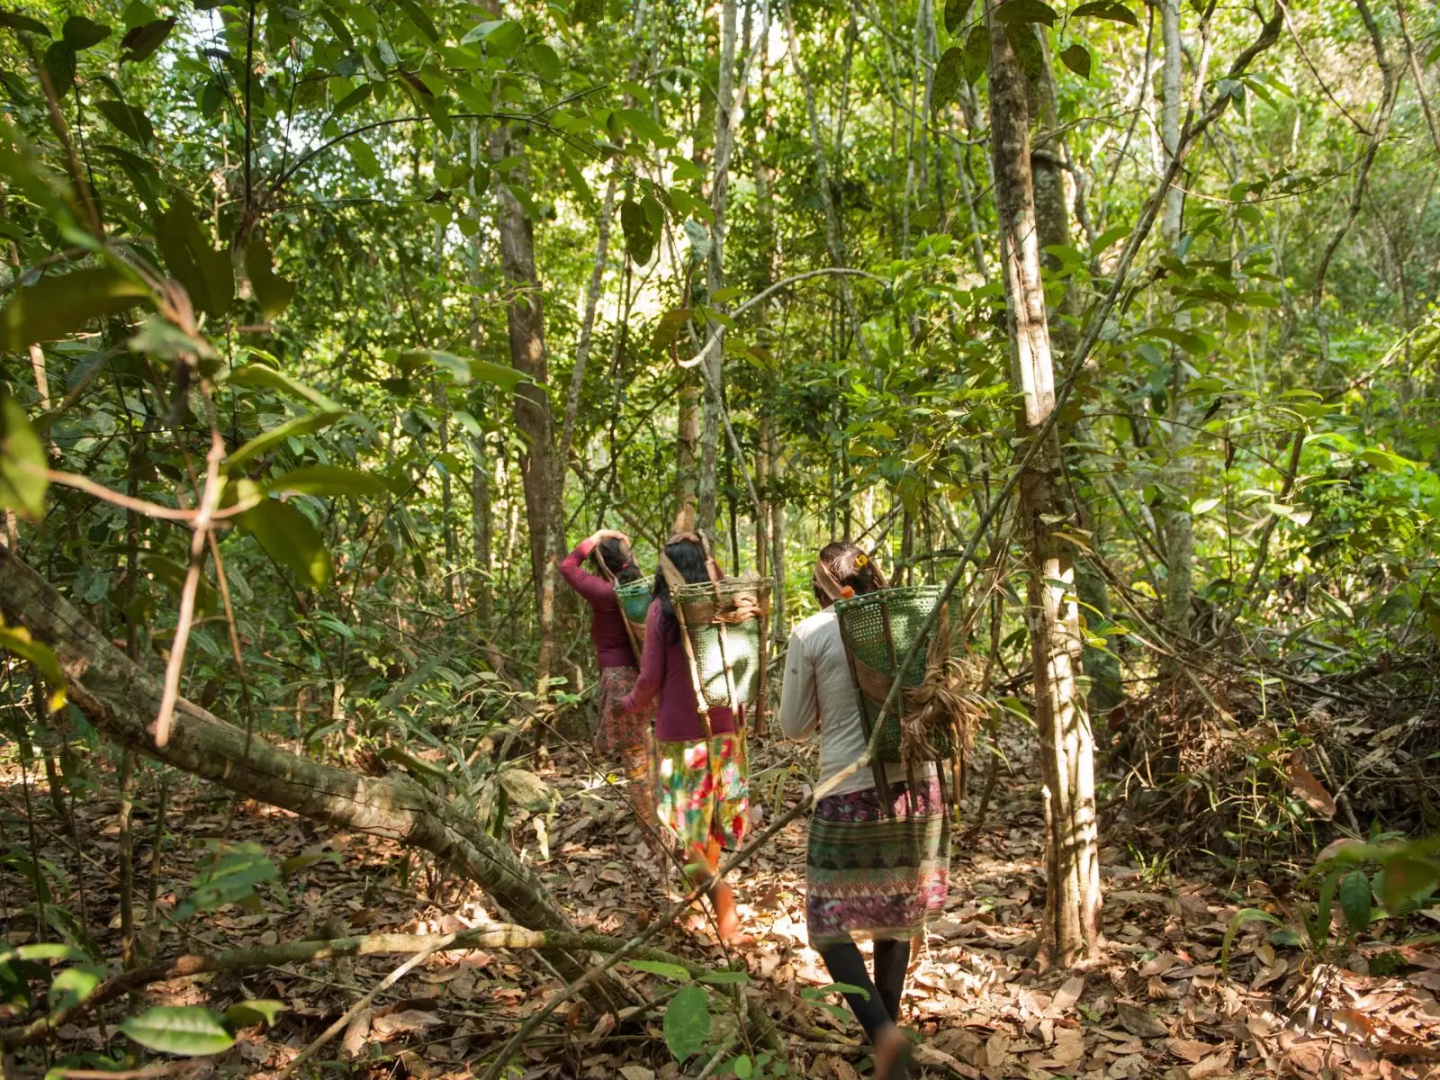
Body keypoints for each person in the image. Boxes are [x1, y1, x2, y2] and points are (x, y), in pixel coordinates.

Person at [777, 542, 950, 1080]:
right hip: (919, 790)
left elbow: (793, 726)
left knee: (829, 922)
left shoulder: (811, 632)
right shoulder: (911, 623)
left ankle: (883, 1035)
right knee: (895, 912)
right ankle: (888, 1035)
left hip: (848, 789)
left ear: (819, 587)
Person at [622, 534, 750, 944]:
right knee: (712, 819)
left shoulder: (663, 611)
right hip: (727, 728)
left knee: (677, 825)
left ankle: (720, 900)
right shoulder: (723, 604)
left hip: (682, 735)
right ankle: (700, 903)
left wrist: (627, 704)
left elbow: (649, 678)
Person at [559, 528, 657, 840]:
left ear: (602, 563)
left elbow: (567, 567)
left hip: (620, 681)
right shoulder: (646, 589)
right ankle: (662, 818)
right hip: (651, 676)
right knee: (652, 750)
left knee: (636, 760)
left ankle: (653, 831)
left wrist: (594, 537)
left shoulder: (604, 593)